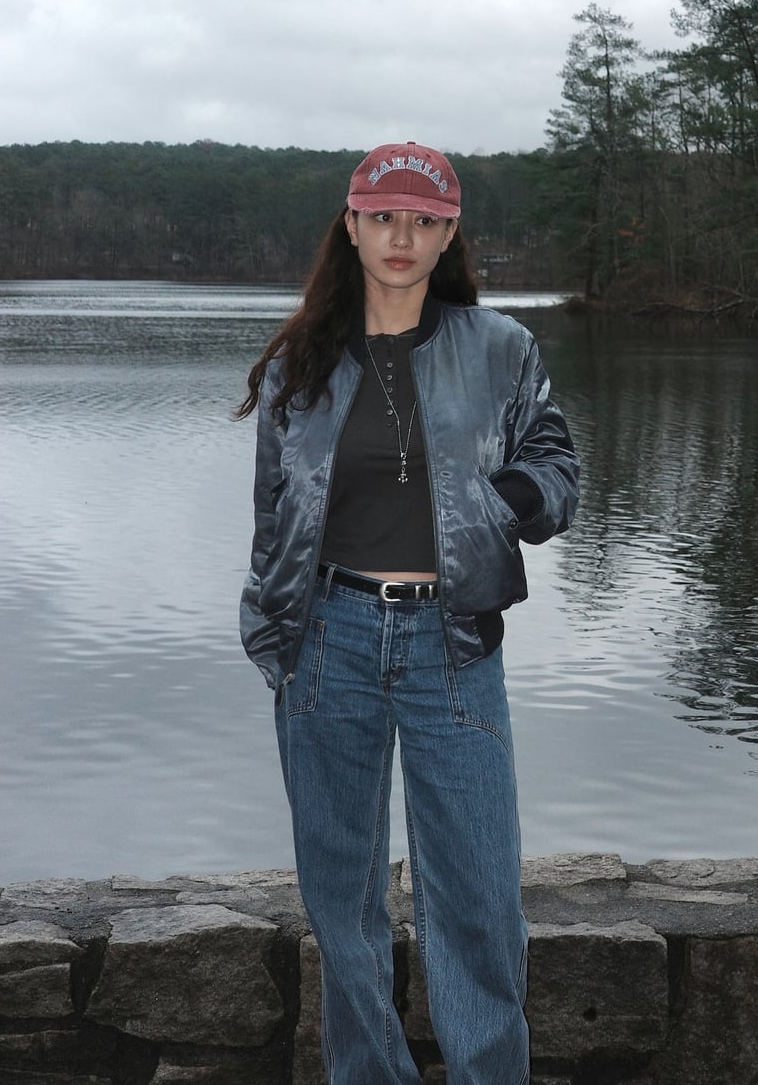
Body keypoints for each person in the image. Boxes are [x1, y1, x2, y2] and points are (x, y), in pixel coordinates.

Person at [237, 142, 579, 1085]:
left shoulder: (500, 348)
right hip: (326, 639)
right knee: (340, 899)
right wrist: (272, 633)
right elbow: (272, 518)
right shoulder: (299, 364)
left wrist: (492, 505)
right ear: (350, 226)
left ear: (448, 234)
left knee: (477, 896)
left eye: (423, 221)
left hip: (452, 642)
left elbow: (557, 471)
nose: (402, 236)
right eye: (383, 216)